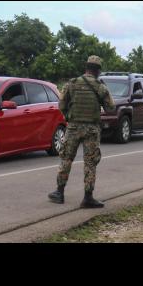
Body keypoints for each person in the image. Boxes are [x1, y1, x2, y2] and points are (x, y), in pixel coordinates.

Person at [48, 55, 116, 208]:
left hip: (73, 127)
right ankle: (88, 197)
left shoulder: (72, 83)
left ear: (86, 68)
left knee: (66, 159)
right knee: (90, 163)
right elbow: (111, 107)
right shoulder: (100, 86)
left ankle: (59, 192)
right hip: (92, 129)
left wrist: (68, 118)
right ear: (98, 71)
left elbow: (61, 104)